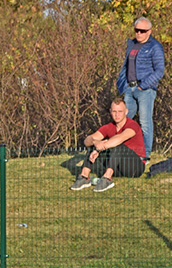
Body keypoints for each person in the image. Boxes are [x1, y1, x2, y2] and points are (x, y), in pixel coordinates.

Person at [69, 97, 146, 192]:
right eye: (114, 111)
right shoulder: (108, 126)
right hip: (118, 166)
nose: (117, 115)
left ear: (126, 112)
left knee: (117, 145)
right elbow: (87, 140)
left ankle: (107, 178)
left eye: (120, 111)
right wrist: (95, 143)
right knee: (94, 143)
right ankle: (84, 177)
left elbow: (119, 139)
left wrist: (99, 149)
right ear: (110, 111)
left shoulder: (132, 125)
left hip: (135, 166)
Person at [116, 17, 165, 159]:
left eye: (142, 31)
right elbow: (126, 66)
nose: (139, 34)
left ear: (149, 31)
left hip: (145, 91)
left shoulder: (155, 47)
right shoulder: (132, 44)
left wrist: (143, 86)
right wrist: (124, 85)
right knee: (122, 120)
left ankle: (145, 155)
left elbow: (159, 71)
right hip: (129, 89)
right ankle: (117, 151)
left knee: (145, 122)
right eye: (136, 30)